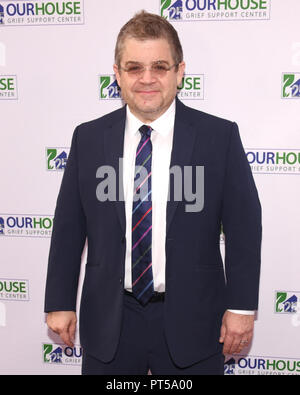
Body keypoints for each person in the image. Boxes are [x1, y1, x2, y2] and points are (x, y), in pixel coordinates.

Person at [44, 11, 262, 375]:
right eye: (134, 68)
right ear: (117, 74)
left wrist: (241, 308)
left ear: (179, 72)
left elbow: (244, 226)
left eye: (160, 66)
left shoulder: (218, 137)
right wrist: (59, 301)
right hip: (109, 321)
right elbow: (68, 227)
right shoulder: (88, 138)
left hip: (195, 320)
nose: (147, 79)